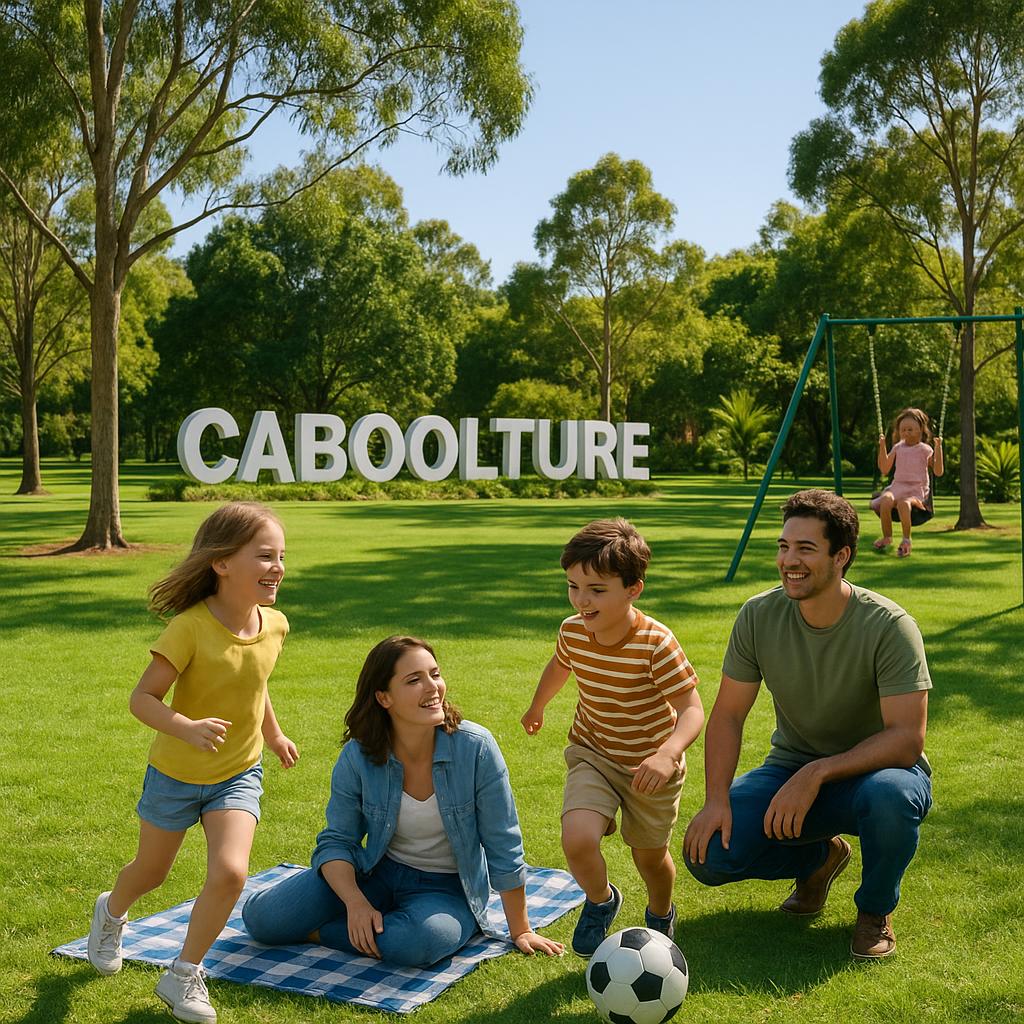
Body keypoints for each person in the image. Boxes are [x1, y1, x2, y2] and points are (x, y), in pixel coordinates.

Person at [684, 489, 932, 959]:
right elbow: (728, 715)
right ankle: (823, 857)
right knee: (711, 854)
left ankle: (875, 910)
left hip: (879, 773)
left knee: (891, 798)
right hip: (791, 766)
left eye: (805, 549)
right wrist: (716, 800)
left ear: (842, 556)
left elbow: (906, 739)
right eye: (783, 546)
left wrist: (816, 773)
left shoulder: (889, 625)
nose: (788, 561)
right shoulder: (758, 614)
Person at [86, 502, 298, 1024]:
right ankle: (111, 911)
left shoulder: (274, 625)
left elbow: (256, 682)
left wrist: (272, 733)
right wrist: (186, 726)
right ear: (222, 563)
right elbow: (143, 699)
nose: (278, 567)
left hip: (238, 772)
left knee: (230, 873)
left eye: (281, 557)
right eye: (265, 556)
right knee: (151, 873)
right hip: (176, 775)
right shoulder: (189, 628)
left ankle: (183, 974)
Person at [242, 636, 564, 965]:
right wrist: (355, 903)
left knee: (416, 942)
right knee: (263, 920)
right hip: (376, 871)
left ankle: (323, 933)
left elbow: (503, 841)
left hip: (446, 888)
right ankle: (365, 922)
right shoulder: (359, 755)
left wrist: (520, 929)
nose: (433, 687)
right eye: (414, 680)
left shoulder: (476, 748)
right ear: (384, 698)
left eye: (435, 674)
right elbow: (338, 839)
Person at [521, 518, 704, 958]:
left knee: (648, 857)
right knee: (577, 837)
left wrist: (667, 753)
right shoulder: (572, 630)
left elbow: (692, 709)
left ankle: (661, 914)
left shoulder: (656, 643)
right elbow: (560, 665)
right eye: (573, 586)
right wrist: (537, 705)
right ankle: (602, 901)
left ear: (633, 588)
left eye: (596, 590)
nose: (582, 600)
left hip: (650, 768)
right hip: (594, 752)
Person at [871, 407, 944, 557]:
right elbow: (884, 468)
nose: (906, 433)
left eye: (910, 429)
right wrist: (882, 446)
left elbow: (938, 471)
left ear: (921, 430)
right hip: (897, 487)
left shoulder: (925, 449)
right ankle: (887, 537)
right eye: (903, 430)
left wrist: (938, 448)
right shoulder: (898, 447)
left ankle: (906, 540)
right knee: (885, 499)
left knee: (904, 503)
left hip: (916, 491)